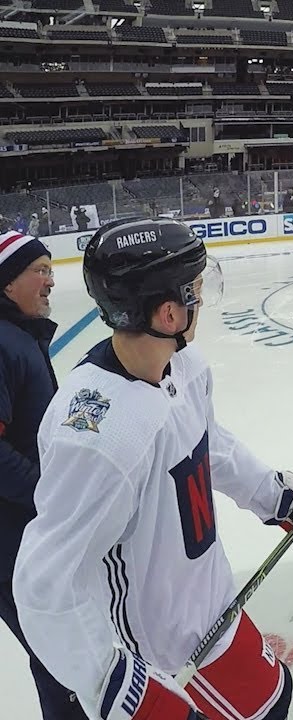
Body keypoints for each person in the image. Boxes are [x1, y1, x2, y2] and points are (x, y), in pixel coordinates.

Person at [13, 217, 293, 720]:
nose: (203, 299)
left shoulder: (186, 368)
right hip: (162, 654)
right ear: (168, 312)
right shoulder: (95, 435)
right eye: (195, 289)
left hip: (211, 610)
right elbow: (46, 583)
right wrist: (116, 688)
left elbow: (208, 446)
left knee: (276, 699)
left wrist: (277, 496)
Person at [0, 231, 87, 720]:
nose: (51, 281)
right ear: (9, 282)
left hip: (27, 530)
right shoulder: (3, 342)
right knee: (58, 656)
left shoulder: (20, 337)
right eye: (41, 271)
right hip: (11, 539)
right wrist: (47, 493)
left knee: (58, 654)